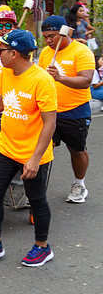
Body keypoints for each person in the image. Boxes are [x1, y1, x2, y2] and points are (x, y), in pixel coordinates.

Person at [0, 29, 57, 267]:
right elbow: (4, 98)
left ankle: (42, 247)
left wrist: (34, 159)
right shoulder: (8, 73)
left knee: (36, 199)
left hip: (33, 153)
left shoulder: (42, 80)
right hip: (5, 147)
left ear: (15, 53)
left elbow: (50, 123)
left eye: (1, 50)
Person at [38, 15, 95, 203]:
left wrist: (61, 78)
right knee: (42, 148)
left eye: (52, 36)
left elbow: (86, 81)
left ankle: (79, 184)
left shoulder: (82, 51)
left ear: (65, 32)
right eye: (45, 36)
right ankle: (36, 190)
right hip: (50, 110)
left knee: (76, 149)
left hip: (75, 110)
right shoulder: (46, 53)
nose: (48, 40)